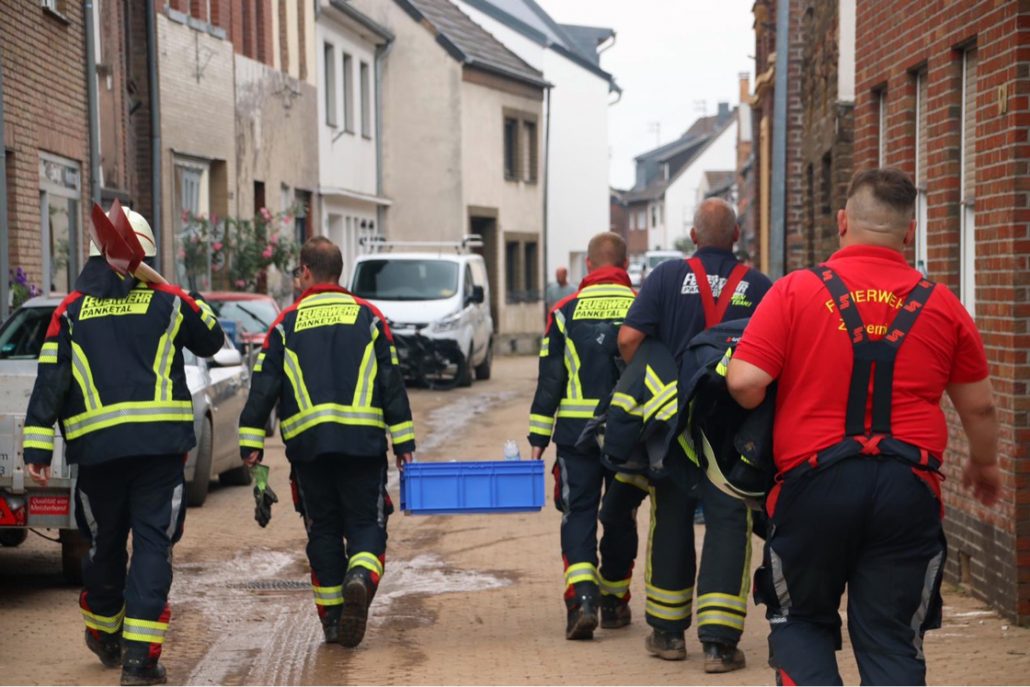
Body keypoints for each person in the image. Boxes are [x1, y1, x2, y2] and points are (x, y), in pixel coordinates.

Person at [726, 168, 999, 686]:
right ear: (910, 232)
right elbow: (981, 409)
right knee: (891, 638)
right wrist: (984, 463)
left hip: (813, 484)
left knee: (801, 620)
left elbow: (744, 383)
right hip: (907, 487)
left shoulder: (795, 291)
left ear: (842, 222)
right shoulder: (942, 304)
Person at [22, 207, 225, 686]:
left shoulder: (70, 310)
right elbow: (212, 338)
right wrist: (177, 292)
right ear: (146, 255)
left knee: (103, 546)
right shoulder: (169, 303)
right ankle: (138, 662)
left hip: (98, 455)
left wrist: (37, 450)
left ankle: (105, 633)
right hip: (159, 452)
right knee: (154, 548)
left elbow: (50, 379)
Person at [616, 198, 772, 671]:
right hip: (733, 429)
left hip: (674, 423)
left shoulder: (665, 278)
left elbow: (628, 339)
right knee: (729, 521)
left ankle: (667, 635)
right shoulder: (761, 286)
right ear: (738, 237)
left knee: (671, 516)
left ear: (694, 235)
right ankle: (720, 646)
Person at [237, 236, 415, 648]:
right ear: (340, 272)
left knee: (323, 533)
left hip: (309, 450)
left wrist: (252, 445)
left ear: (304, 272)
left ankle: (334, 622)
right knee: (367, 525)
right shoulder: (369, 318)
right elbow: (392, 383)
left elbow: (263, 387)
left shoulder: (285, 324)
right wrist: (404, 442)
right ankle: (361, 577)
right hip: (362, 447)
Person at [528, 232, 638, 641]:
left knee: (578, 514)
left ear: (588, 267)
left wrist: (539, 438)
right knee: (621, 516)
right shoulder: (643, 307)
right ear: (624, 265)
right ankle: (614, 601)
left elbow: (550, 381)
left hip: (575, 437)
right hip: (629, 436)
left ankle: (582, 600)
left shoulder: (563, 311)